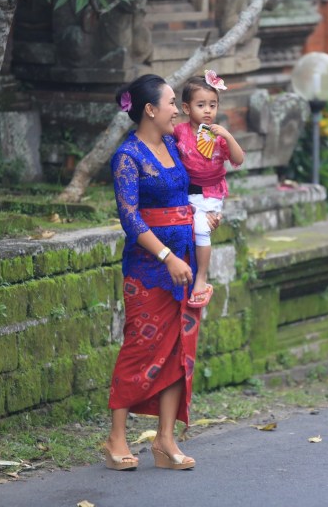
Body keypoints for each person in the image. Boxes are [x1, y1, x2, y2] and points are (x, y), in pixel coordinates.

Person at [104, 73, 218, 471]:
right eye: (171, 102)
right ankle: (116, 437)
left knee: (177, 352)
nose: (177, 109)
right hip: (149, 269)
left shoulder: (174, 144)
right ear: (150, 110)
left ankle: (165, 440)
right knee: (139, 346)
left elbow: (192, 188)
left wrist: (203, 214)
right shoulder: (127, 157)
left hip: (185, 262)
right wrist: (167, 256)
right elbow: (130, 219)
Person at [173, 70, 244, 308]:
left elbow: (238, 159)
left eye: (212, 105)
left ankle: (201, 278)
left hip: (210, 193)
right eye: (201, 104)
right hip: (185, 193)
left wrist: (228, 136)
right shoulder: (179, 132)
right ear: (186, 108)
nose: (207, 110)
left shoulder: (218, 136)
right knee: (186, 224)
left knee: (202, 228)